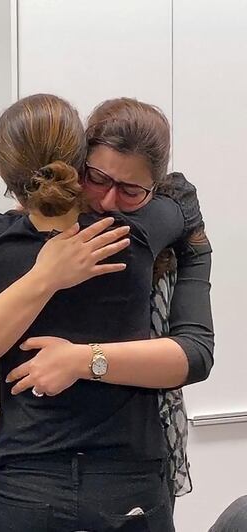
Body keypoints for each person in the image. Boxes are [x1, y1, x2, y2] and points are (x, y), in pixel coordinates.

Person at [0, 93, 203, 531]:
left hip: (26, 482)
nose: (111, 196)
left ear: (6, 175)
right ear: (78, 163)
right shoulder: (133, 238)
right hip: (126, 479)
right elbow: (180, 207)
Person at [83, 98, 214, 507]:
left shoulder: (179, 239)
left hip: (147, 452)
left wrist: (80, 360)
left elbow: (196, 352)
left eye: (130, 190)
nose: (107, 201)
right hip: (56, 460)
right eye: (97, 178)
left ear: (154, 189)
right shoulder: (50, 229)